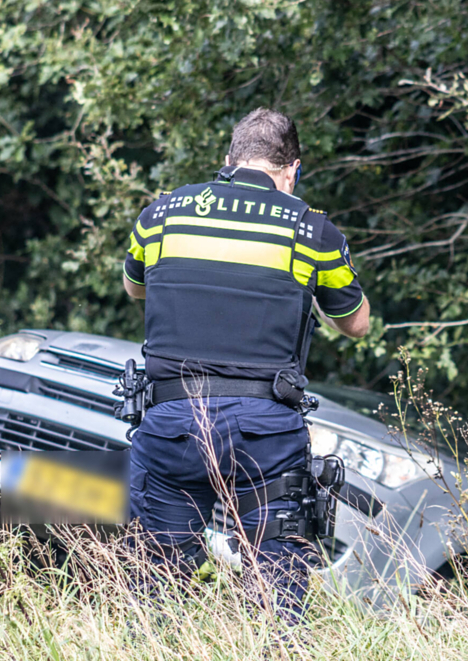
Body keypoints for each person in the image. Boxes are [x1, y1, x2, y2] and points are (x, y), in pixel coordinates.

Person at [122, 108, 370, 622]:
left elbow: (134, 287)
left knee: (155, 589)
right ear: (291, 171)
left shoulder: (162, 214)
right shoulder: (310, 229)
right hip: (265, 431)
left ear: (228, 160)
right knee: (277, 592)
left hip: (172, 422)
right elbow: (357, 323)